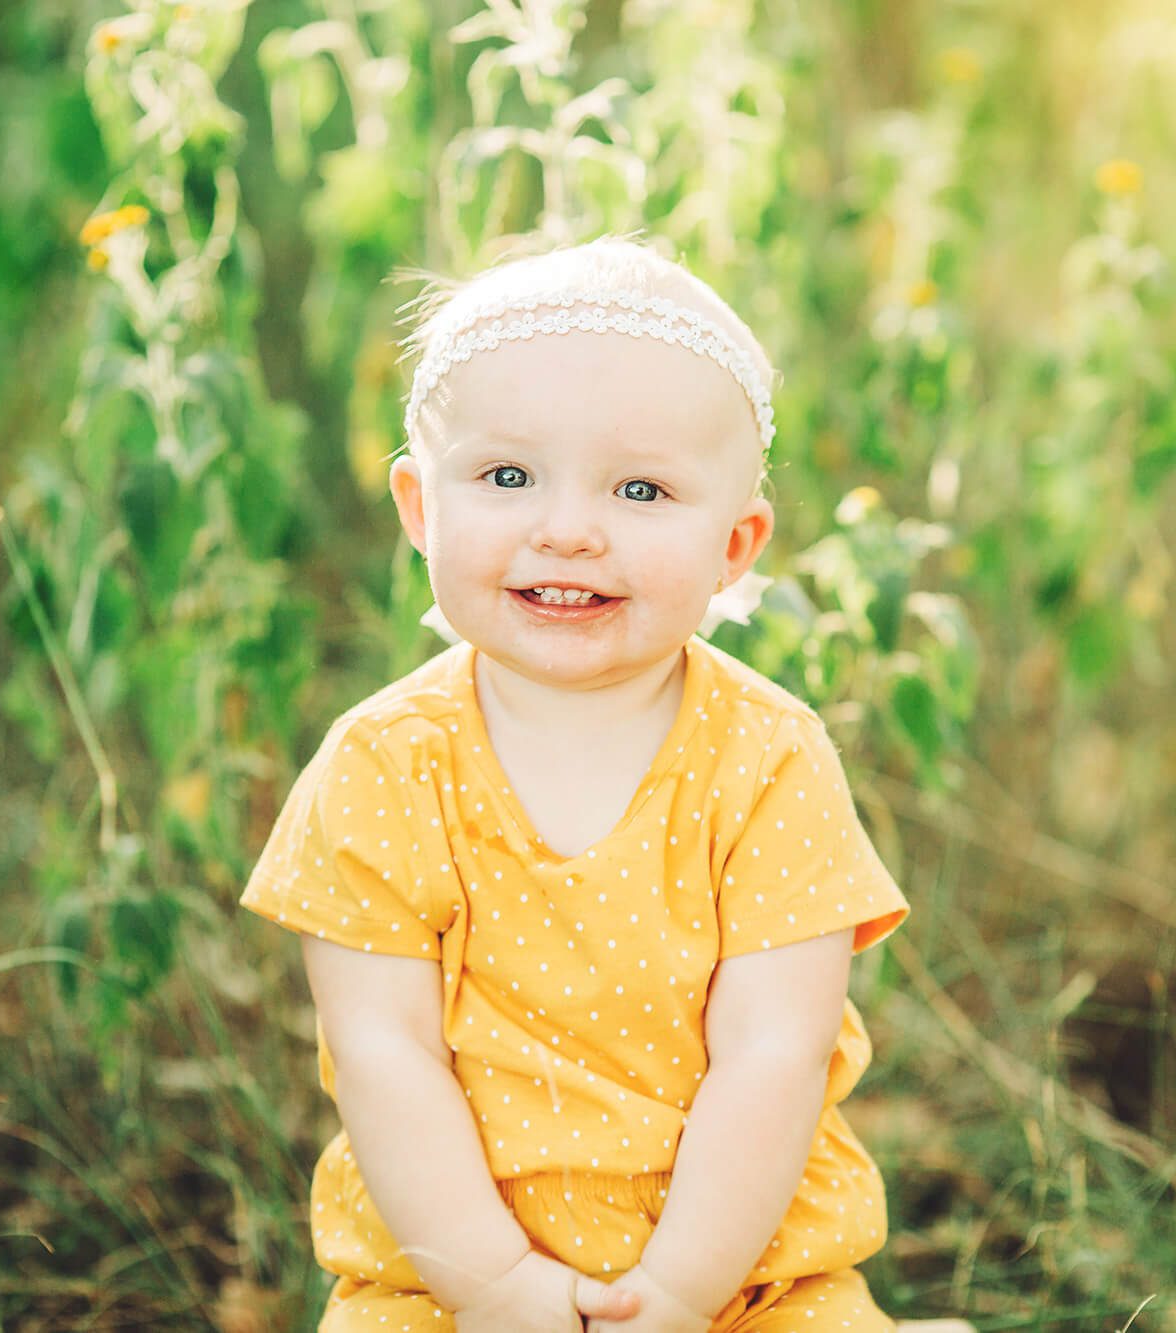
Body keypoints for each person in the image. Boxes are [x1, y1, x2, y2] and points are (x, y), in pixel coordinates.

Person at [240, 236, 911, 1332]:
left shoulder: (769, 760)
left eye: (640, 489)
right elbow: (381, 1053)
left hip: (745, 1279)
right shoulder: (382, 766)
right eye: (507, 476)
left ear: (735, 545)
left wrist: (684, 1289)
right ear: (420, 509)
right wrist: (496, 1286)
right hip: (444, 1279)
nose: (566, 529)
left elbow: (772, 1053)